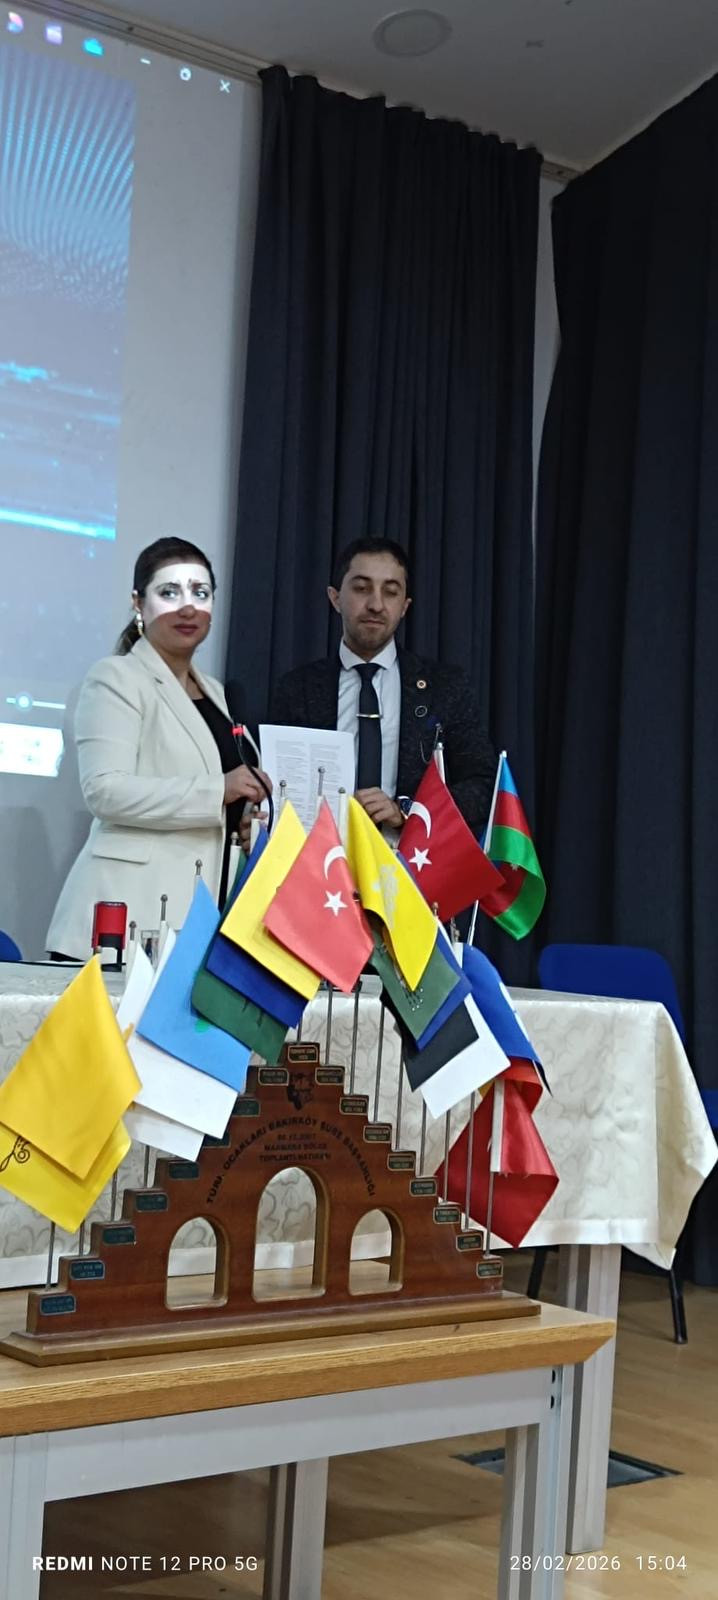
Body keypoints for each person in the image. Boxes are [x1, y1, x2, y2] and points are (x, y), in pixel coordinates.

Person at [46, 538, 270, 961]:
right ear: (139, 603)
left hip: (195, 921)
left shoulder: (217, 692)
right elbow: (104, 791)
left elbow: (219, 806)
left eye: (200, 593)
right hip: (125, 914)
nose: (187, 608)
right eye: (169, 592)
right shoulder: (116, 677)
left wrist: (246, 822)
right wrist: (218, 790)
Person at [270, 538, 496, 832]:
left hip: (411, 854)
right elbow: (277, 785)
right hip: (324, 853)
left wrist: (408, 811)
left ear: (404, 606)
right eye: (361, 589)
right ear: (335, 598)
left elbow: (483, 785)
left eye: (390, 592)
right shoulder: (297, 688)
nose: (376, 605)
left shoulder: (445, 687)